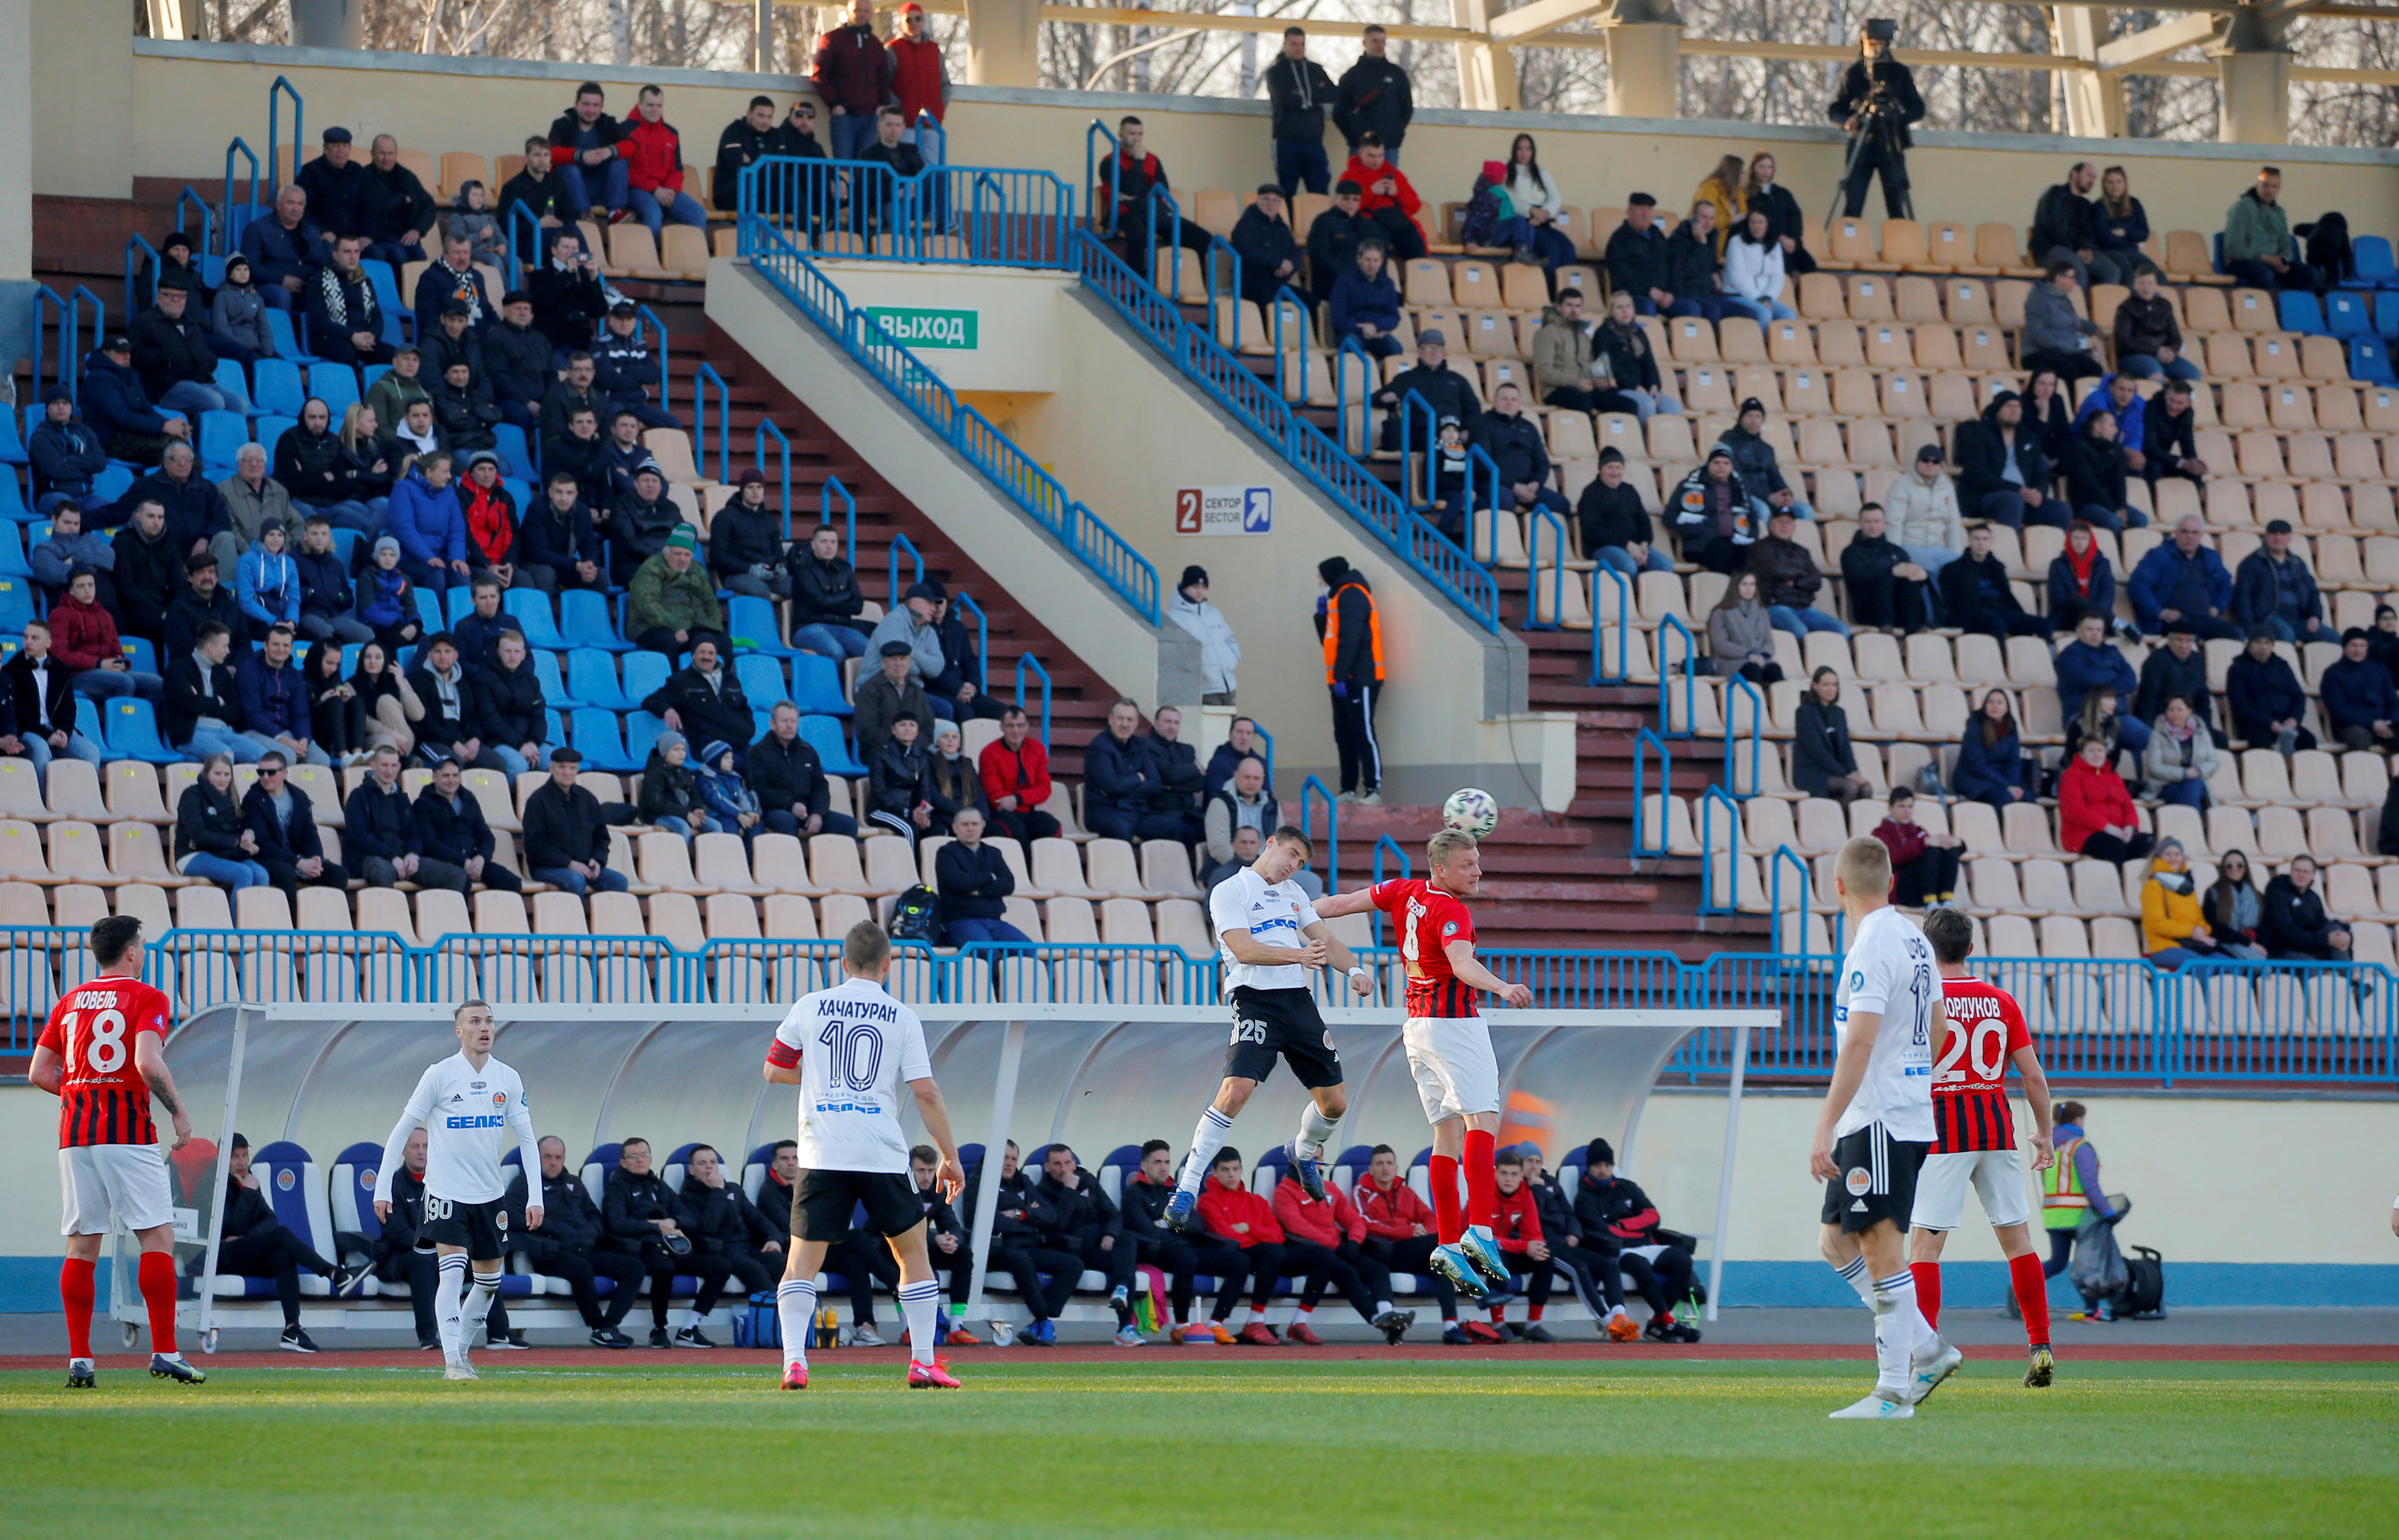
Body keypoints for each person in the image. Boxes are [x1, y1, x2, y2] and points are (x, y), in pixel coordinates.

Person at [1316, 832, 1534, 1303]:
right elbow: (1461, 964)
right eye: (1468, 865)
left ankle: (1450, 1244)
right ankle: (1480, 1228)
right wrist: (1500, 987)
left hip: (1416, 1028)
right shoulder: (1452, 910)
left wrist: (1285, 911)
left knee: (1447, 1133)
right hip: (1454, 1025)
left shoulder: (1402, 890)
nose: (1477, 871)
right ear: (1441, 869)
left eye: (1477, 863)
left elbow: (1337, 905)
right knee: (1484, 1121)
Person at [765, 919, 967, 1385]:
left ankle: (795, 1361)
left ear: (843, 962)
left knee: (801, 1263)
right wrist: (949, 1157)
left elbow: (774, 1071)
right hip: (880, 1152)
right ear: (888, 964)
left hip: (823, 1151)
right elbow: (927, 1093)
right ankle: (922, 1362)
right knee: (913, 1255)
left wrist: (818, 1077)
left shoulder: (810, 1006)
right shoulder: (901, 1016)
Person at [1809, 835, 1951, 1419]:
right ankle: (1927, 1348)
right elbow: (1940, 1028)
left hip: (1880, 1119)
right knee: (1836, 1240)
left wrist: (1825, 1124)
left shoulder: (1872, 945)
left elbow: (1862, 1041)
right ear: (1891, 882)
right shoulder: (1915, 939)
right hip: (1891, 1111)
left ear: (1837, 886)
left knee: (1880, 1250)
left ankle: (1894, 1392)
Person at [31, 915, 203, 1387]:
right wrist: (179, 1113)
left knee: (83, 1243)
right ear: (131, 952)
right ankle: (166, 1351)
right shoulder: (147, 997)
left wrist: (86, 1092)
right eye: (143, 946)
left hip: (76, 1135)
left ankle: (80, 1361)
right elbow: (148, 1062)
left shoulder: (69, 1002)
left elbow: (39, 1073)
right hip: (127, 1134)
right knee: (157, 1237)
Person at [1900, 906, 2060, 1383]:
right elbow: (2033, 1075)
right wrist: (2045, 1133)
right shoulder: (2000, 1000)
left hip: (1942, 1132)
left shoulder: (1921, 1000)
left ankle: (1924, 1355)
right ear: (1971, 949)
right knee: (2020, 1244)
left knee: (1925, 1248)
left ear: (1927, 949)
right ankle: (2040, 1346)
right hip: (1995, 1128)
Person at [372, 1001, 542, 1380]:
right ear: (459, 1031)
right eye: (475, 1022)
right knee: (450, 1273)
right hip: (446, 1193)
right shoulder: (440, 1074)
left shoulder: (508, 1078)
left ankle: (461, 1353)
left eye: (489, 1021)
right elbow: (402, 1130)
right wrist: (382, 1186)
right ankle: (452, 1360)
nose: (484, 1028)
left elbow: (528, 1140)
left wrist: (536, 1196)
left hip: (489, 1196)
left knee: (488, 1283)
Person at [214, 1133, 356, 1353]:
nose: (242, 1162)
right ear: (223, 1160)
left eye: (245, 1155)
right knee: (281, 1235)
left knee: (283, 1255)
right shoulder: (218, 1186)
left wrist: (248, 1237)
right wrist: (250, 1193)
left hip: (244, 1252)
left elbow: (269, 1220)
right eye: (235, 1157)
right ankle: (333, 1273)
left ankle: (292, 1330)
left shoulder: (248, 1181)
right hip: (224, 1257)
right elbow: (231, 1227)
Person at [506, 1135, 641, 1348]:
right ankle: (597, 1327)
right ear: (535, 1158)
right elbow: (511, 1218)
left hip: (585, 1248)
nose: (554, 1163)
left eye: (558, 1158)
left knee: (635, 1268)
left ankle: (609, 1326)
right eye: (547, 1157)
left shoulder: (574, 1183)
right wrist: (549, 1226)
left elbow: (593, 1213)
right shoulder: (524, 1184)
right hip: (551, 1252)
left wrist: (594, 1230)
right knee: (582, 1269)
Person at [601, 1135, 736, 1349]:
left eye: (644, 1155)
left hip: (674, 1246)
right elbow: (617, 1224)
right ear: (623, 1162)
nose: (640, 1160)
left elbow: (688, 1218)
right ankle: (659, 1329)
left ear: (651, 1159)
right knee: (665, 1268)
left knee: (721, 1266)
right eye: (633, 1156)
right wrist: (655, 1226)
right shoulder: (617, 1188)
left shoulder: (658, 1185)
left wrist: (673, 1221)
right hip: (643, 1248)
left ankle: (690, 1328)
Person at [1271, 1148, 1413, 1345]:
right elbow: (1297, 1226)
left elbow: (1355, 1221)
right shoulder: (1284, 1191)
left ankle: (1387, 1316)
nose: (1314, 1163)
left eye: (1318, 1158)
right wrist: (1334, 1246)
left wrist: (1354, 1242)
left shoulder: (1331, 1189)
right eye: (1308, 1158)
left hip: (1337, 1250)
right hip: (1305, 1251)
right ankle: (1377, 1320)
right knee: (1343, 1269)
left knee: (1377, 1268)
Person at [1569, 1138, 1702, 1342]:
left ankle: (1658, 1323)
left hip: (1646, 1245)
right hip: (1619, 1251)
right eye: (1597, 1166)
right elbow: (1605, 1232)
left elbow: (1653, 1216)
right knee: (1640, 1267)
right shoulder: (1584, 1198)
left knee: (1682, 1260)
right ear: (1589, 1167)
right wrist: (1637, 1227)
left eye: (1607, 1165)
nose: (1603, 1170)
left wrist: (1624, 1226)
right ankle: (1668, 1321)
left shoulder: (1628, 1188)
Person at [1828, 18, 1923, 219]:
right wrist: (1848, 121)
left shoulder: (1899, 73)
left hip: (1891, 144)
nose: (1876, 48)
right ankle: (1849, 242)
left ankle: (1901, 246)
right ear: (1862, 42)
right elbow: (1835, 110)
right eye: (1871, 42)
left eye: (1881, 43)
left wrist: (1898, 117)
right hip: (1862, 145)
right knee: (1853, 205)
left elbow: (1918, 108)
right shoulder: (1854, 73)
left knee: (1897, 207)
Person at [343, 744, 468, 892]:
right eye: (384, 765)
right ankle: (392, 915)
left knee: (457, 875)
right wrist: (393, 857)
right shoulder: (358, 796)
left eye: (394, 766)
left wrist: (413, 855)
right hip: (371, 858)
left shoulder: (402, 799)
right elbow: (360, 836)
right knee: (380, 871)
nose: (389, 771)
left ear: (399, 767)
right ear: (373, 766)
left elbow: (414, 833)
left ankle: (440, 914)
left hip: (403, 859)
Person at [2040, 1101, 2126, 1315]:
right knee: (2090, 1262)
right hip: (2080, 1216)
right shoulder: (2079, 1146)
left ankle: (2021, 1288)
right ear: (2078, 1120)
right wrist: (2108, 1212)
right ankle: (2092, 1310)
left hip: (2054, 1214)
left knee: (2058, 1262)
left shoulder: (2048, 1146)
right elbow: (2090, 1184)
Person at [1098, 116, 1215, 272]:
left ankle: (1193, 279)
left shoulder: (1152, 159)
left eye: (1140, 134)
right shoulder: (1110, 161)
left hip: (1153, 210)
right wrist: (1139, 161)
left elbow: (1162, 189)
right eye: (1132, 134)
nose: (1137, 139)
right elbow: (1131, 189)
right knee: (1140, 236)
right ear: (1121, 135)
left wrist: (1136, 194)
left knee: (1203, 239)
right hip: (1126, 212)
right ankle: (1135, 280)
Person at [1316, 556, 1384, 804]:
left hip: (1360, 678)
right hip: (1342, 679)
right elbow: (1330, 640)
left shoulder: (1352, 594)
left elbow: (1351, 638)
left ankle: (1373, 788)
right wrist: (1321, 614)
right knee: (1343, 734)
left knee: (1363, 731)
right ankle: (1348, 788)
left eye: (1321, 578)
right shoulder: (1338, 598)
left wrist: (1342, 676)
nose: (1319, 583)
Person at [679, 1144, 784, 1308]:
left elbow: (757, 1219)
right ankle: (771, 1316)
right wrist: (717, 1191)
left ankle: (795, 1314)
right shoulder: (687, 1198)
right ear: (692, 1170)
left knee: (783, 1262)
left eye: (713, 1162)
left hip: (747, 1247)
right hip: (722, 1250)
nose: (709, 1167)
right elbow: (708, 1227)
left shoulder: (734, 1190)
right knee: (755, 1270)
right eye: (702, 1163)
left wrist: (774, 1239)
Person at [129, 277, 249, 418]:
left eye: (181, 297)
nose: (176, 301)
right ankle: (195, 435)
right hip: (166, 388)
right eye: (170, 296)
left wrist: (210, 360)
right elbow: (134, 357)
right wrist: (166, 357)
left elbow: (206, 355)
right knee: (214, 401)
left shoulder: (191, 325)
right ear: (159, 298)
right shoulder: (144, 322)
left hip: (201, 383)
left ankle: (223, 439)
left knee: (241, 405)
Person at [3, 621, 105, 782]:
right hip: (28, 730)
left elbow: (69, 706)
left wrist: (64, 731)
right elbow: (19, 713)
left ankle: (84, 800)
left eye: (35, 638)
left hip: (56, 729)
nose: (28, 642)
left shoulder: (61, 669)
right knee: (41, 749)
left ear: (48, 643)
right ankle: (44, 802)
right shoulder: (12, 670)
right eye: (26, 637)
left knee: (91, 752)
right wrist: (47, 735)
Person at [242, 749, 348, 902]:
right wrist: (298, 862)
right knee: (286, 872)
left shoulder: (299, 797)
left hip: (295, 857)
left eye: (271, 772)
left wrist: (315, 859)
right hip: (267, 858)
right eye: (261, 772)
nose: (265, 777)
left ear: (285, 773)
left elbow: (310, 833)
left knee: (339, 875)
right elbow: (263, 843)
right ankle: (293, 923)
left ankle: (324, 920)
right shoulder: (253, 800)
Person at [161, 621, 276, 763]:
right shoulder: (178, 670)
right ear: (210, 647)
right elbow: (190, 704)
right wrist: (218, 702)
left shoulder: (222, 673)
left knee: (266, 759)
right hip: (192, 734)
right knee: (225, 757)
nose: (228, 651)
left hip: (225, 732)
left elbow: (235, 711)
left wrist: (205, 706)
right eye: (225, 646)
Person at [1956, 389, 2064, 531]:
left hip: (2023, 499)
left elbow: (2040, 473)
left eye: (2018, 407)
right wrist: (2018, 490)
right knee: (2012, 501)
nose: (2014, 411)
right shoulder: (1980, 435)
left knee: (2062, 510)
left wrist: (2039, 492)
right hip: (1987, 497)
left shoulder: (2028, 437)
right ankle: (2007, 549)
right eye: (2009, 406)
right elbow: (1978, 475)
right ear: (1997, 411)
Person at [523, 750, 627, 894]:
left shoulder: (588, 798)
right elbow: (535, 844)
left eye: (572, 768)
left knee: (619, 881)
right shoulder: (538, 800)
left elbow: (601, 837)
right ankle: (573, 917)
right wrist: (569, 863)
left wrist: (597, 860)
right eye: (562, 767)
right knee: (575, 880)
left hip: (584, 866)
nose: (567, 773)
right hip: (547, 867)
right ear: (552, 768)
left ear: (578, 770)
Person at [750, 701, 856, 839]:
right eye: (784, 721)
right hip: (775, 810)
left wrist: (818, 813)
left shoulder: (808, 751)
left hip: (808, 811)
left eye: (793, 721)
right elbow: (759, 790)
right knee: (787, 820)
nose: (789, 726)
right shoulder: (758, 753)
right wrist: (791, 806)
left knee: (849, 825)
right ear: (772, 724)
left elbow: (821, 787)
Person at [277, 399, 382, 533]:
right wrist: (324, 478)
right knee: (315, 532)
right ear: (303, 418)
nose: (318, 423)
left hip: (331, 503)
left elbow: (342, 483)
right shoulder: (289, 439)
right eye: (312, 417)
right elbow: (291, 483)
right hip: (301, 502)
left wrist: (306, 477)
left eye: (322, 418)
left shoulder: (333, 442)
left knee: (369, 526)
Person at [2127, 515, 2238, 641]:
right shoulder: (2158, 556)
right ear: (2176, 533)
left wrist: (2218, 608)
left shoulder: (2211, 557)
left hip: (2204, 619)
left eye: (2195, 533)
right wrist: (2159, 612)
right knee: (2189, 634)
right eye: (2185, 532)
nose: (2190, 537)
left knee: (2237, 634)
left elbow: (2225, 584)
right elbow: (2138, 585)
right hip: (2171, 622)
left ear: (2201, 536)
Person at [417, 754, 517, 893]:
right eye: (446, 776)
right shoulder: (423, 804)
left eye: (455, 775)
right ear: (434, 778)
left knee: (512, 883)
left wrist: (481, 858)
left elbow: (487, 837)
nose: (451, 780)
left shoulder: (469, 800)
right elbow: (430, 845)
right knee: (461, 880)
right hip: (445, 864)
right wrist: (464, 862)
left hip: (474, 861)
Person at [80, 333, 187, 463]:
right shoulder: (99, 379)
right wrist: (163, 427)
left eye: (128, 351)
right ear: (106, 353)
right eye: (121, 352)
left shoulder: (129, 374)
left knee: (178, 448)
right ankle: (195, 482)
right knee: (175, 447)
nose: (127, 356)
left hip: (132, 434)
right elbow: (122, 417)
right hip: (109, 441)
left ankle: (189, 482)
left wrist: (170, 425)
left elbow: (147, 409)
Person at [173, 753, 271, 894]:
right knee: (244, 874)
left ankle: (257, 916)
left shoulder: (233, 798)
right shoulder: (192, 795)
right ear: (207, 774)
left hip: (225, 854)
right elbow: (199, 835)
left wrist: (248, 835)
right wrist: (237, 842)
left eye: (227, 775)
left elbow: (241, 825)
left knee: (262, 875)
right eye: (217, 774)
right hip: (192, 854)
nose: (222, 780)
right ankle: (239, 917)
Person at [812, 0, 897, 163]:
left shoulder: (875, 44)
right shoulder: (833, 39)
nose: (862, 14)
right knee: (844, 166)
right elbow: (819, 76)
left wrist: (882, 105)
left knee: (865, 169)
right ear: (849, 12)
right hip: (844, 116)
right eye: (857, 10)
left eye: (866, 11)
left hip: (871, 117)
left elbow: (884, 78)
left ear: (871, 14)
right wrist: (834, 105)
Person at [933, 806, 1028, 951]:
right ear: (955, 828)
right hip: (960, 921)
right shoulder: (946, 853)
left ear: (983, 826)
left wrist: (979, 891)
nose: (970, 829)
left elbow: (1008, 884)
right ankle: (992, 974)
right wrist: (990, 877)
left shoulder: (993, 852)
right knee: (987, 951)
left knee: (1029, 950)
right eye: (965, 825)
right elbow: (958, 882)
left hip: (996, 921)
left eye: (975, 824)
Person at [57, 566, 156, 703]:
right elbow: (60, 655)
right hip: (76, 675)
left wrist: (122, 664)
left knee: (156, 683)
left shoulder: (105, 616)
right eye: (81, 586)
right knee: (125, 682)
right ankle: (119, 723)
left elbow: (117, 651)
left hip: (105, 671)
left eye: (91, 585)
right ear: (72, 591)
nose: (87, 590)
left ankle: (145, 723)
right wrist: (98, 664)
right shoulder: (60, 615)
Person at [235, 623, 326, 768]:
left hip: (285, 733)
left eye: (285, 645)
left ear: (291, 649)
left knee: (321, 761)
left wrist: (303, 739)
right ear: (265, 646)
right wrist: (286, 741)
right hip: (254, 732)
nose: (281, 650)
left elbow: (301, 714)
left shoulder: (295, 676)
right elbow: (254, 715)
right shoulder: (249, 671)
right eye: (276, 644)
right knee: (287, 757)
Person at [1530, 291, 1631, 418]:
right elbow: (1545, 372)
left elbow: (1591, 364)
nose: (1574, 310)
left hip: (1585, 387)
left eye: (1578, 306)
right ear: (1559, 307)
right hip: (1556, 389)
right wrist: (1576, 382)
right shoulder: (1546, 333)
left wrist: (1600, 379)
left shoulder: (1583, 335)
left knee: (1626, 404)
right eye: (1569, 305)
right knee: (1583, 402)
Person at [1263, 26, 1337, 198]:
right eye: (1294, 44)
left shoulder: (1315, 70)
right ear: (1285, 44)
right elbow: (1284, 99)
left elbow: (1333, 94)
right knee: (1286, 193)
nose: (1298, 48)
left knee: (1320, 192)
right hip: (1287, 141)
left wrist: (1303, 93)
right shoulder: (1276, 72)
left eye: (1302, 44)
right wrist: (1313, 94)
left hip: (1314, 141)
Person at [1750, 508, 1846, 640]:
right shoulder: (1759, 548)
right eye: (1781, 522)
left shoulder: (1802, 551)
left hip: (1803, 608)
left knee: (1841, 630)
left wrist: (1794, 582)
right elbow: (1776, 571)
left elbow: (1816, 580)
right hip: (1774, 605)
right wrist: (1802, 574)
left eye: (1789, 523)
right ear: (1771, 524)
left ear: (1794, 527)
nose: (1785, 526)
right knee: (1800, 632)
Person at [1939, 523, 2047, 639]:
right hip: (1971, 614)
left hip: (1999, 610)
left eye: (1985, 539)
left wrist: (2020, 615)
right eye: (1977, 539)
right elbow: (1948, 602)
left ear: (1991, 542)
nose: (1981, 543)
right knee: (1997, 625)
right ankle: (2003, 657)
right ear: (1969, 541)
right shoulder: (1952, 569)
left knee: (2043, 625)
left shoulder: (1997, 568)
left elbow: (2007, 595)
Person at [627, 531, 726, 658]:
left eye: (687, 555)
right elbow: (648, 605)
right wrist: (676, 626)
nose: (683, 560)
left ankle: (716, 678)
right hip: (650, 627)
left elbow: (710, 602)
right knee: (668, 641)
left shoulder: (697, 570)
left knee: (722, 642)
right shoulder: (651, 568)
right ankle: (671, 678)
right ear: (666, 554)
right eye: (677, 554)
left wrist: (714, 626)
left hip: (690, 626)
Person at [2059, 734, 2154, 865]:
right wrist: (2107, 828)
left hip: (2118, 833)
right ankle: (2116, 883)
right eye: (2091, 751)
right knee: (2114, 846)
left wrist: (2130, 828)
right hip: (2083, 835)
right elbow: (2075, 810)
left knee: (2148, 843)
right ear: (2082, 755)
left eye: (2100, 751)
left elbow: (2128, 807)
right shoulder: (2071, 776)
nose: (2096, 755)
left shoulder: (2114, 777)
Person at [2223, 166, 2318, 293]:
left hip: (2272, 264)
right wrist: (2267, 259)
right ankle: (2263, 311)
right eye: (2266, 185)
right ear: (2257, 185)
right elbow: (2234, 249)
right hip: (2243, 262)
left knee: (2311, 275)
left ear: (2279, 189)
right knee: (2265, 275)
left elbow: (2286, 245)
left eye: (2274, 187)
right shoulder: (2243, 207)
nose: (2270, 191)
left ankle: (2293, 309)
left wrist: (2283, 261)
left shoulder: (2279, 213)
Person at [306, 234, 395, 369]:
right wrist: (352, 336)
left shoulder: (365, 281)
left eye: (356, 252)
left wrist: (372, 336)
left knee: (396, 356)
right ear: (336, 255)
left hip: (363, 340)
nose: (353, 257)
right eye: (347, 252)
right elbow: (320, 322)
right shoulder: (319, 281)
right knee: (348, 354)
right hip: (330, 339)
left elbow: (376, 316)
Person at [2232, 519, 2327, 645]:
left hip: (2299, 620)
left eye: (2282, 534)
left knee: (2335, 639)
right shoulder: (2251, 564)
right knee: (2287, 636)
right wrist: (2250, 630)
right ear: (2266, 536)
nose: (2278, 538)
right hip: (2268, 620)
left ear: (2289, 538)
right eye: (2273, 533)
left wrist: (2315, 617)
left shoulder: (2298, 564)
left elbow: (2313, 592)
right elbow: (2242, 598)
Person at [1578, 448, 1669, 577]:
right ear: (1601, 469)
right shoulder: (1590, 494)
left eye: (1619, 468)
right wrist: (1627, 545)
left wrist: (1644, 544)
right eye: (1610, 468)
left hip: (1635, 546)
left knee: (1665, 566)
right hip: (1604, 547)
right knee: (1628, 566)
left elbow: (1644, 521)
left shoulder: (1629, 491)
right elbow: (1593, 531)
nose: (1615, 473)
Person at [975, 705, 1057, 845]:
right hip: (1001, 812)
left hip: (1027, 809)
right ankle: (1023, 867)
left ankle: (1042, 866)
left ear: (1027, 727)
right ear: (1001, 727)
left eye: (1020, 726)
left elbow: (1044, 788)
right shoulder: (989, 753)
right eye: (1010, 726)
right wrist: (1031, 803)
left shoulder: (1038, 749)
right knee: (1016, 830)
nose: (1016, 731)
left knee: (1053, 826)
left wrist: (1018, 799)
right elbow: (996, 797)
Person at [238, 184, 324, 314]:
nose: (296, 208)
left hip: (305, 287)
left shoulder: (311, 231)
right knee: (281, 295)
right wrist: (281, 280)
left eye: (300, 204)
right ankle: (283, 334)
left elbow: (321, 262)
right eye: (291, 203)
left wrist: (316, 280)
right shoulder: (257, 229)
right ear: (279, 206)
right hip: (269, 287)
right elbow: (250, 266)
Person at [1838, 504, 1925, 633]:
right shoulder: (1850, 553)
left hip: (1899, 610)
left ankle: (1916, 627)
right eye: (1868, 522)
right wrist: (1891, 572)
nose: (1873, 526)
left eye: (1877, 521)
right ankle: (1886, 626)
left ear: (1884, 523)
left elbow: (1910, 574)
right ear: (1860, 523)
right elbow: (1858, 579)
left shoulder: (1896, 551)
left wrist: (1921, 575)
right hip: (1868, 610)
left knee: (1910, 582)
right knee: (1884, 579)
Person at [1339, 133, 1426, 261]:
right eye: (1372, 156)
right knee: (1376, 246)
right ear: (1361, 154)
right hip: (1370, 222)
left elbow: (1416, 206)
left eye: (1380, 156)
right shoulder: (1350, 175)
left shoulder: (1394, 174)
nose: (1377, 161)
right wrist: (1371, 192)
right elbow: (1345, 209)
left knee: (1416, 245)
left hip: (1397, 221)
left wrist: (1397, 193)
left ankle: (1420, 276)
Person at [2226, 626, 2314, 753]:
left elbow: (2298, 697)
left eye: (2267, 643)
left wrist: (2294, 719)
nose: (2263, 647)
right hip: (2255, 725)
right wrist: (2270, 724)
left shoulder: (2282, 666)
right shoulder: (2237, 669)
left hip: (2284, 723)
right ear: (2249, 645)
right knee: (2261, 742)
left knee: (2308, 740)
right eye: (2258, 642)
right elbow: (2240, 706)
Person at [1667, 446, 1753, 573]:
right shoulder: (1688, 485)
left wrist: (1750, 537)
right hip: (1701, 545)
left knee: (1755, 555)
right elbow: (1669, 517)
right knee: (1724, 550)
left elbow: (1753, 520)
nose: (1721, 467)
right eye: (1716, 463)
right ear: (1709, 464)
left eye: (1726, 463)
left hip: (1736, 542)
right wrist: (1703, 531)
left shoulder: (1740, 490)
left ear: (1732, 466)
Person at [2030, 161, 2114, 292]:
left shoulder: (2086, 205)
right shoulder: (2055, 194)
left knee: (2111, 271)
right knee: (2077, 272)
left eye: (2094, 178)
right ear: (2075, 174)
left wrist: (2088, 250)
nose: (2092, 180)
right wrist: (2076, 251)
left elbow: (2089, 233)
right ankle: (2073, 310)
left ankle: (2102, 310)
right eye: (2089, 175)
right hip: (2050, 248)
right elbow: (2053, 228)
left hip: (2077, 251)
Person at [1333, 24, 1413, 162]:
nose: (1380, 45)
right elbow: (1340, 112)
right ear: (1365, 43)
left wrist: (1395, 132)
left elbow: (1407, 107)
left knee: (1387, 184)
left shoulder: (1397, 74)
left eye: (1383, 41)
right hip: (1360, 147)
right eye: (1375, 41)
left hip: (1389, 146)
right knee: (1358, 184)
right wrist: (1354, 136)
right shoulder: (1352, 76)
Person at [1874, 787, 1961, 907]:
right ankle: (1931, 901)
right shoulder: (1880, 833)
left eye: (1910, 807)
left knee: (1949, 851)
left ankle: (1946, 901)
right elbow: (1893, 858)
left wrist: (1957, 843)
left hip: (1921, 886)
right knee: (1932, 852)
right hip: (1900, 889)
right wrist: (1924, 844)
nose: (1907, 811)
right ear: (1890, 808)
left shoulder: (1919, 831)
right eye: (1901, 806)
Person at [2262, 855, 2355, 967]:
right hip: (2280, 951)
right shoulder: (2277, 893)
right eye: (2297, 871)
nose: (2301, 875)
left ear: (2313, 875)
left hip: (2306, 948)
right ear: (2291, 872)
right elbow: (2286, 933)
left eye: (2306, 872)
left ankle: (2348, 980)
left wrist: (2345, 934)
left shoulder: (2313, 898)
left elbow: (2322, 924)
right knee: (2310, 965)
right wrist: (2326, 941)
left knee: (2336, 931)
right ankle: (2348, 980)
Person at [2141, 837, 2220, 970]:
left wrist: (2202, 930)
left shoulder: (2188, 886)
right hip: (2164, 947)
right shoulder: (2153, 886)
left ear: (2183, 858)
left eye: (2177, 854)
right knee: (2203, 967)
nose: (2173, 858)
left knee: (2231, 965)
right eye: (2168, 854)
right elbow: (2157, 924)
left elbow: (2200, 919)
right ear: (2159, 858)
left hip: (2192, 945)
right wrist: (2192, 932)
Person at [528, 227, 608, 357]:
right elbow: (545, 303)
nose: (571, 253)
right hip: (552, 344)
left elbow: (599, 311)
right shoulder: (539, 276)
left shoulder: (584, 276)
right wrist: (567, 273)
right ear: (554, 250)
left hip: (581, 344)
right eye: (566, 248)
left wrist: (594, 278)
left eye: (575, 249)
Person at [28, 390, 111, 513]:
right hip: (51, 495)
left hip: (86, 496)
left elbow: (100, 464)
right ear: (47, 409)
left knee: (115, 513)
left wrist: (69, 459)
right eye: (56, 403)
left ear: (72, 408)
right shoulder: (40, 437)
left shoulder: (85, 432)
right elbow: (56, 470)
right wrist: (87, 470)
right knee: (70, 511)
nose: (61, 407)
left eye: (65, 403)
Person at [2021, 261, 2104, 383]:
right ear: (2059, 278)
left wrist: (2092, 329)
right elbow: (2036, 331)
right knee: (2070, 371)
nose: (2074, 282)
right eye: (2071, 277)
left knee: (2094, 369)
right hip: (2039, 352)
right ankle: (2071, 401)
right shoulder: (2038, 299)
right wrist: (2057, 346)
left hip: (2064, 351)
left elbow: (2072, 320)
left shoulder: (2063, 299)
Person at [1793, 666, 1865, 806]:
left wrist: (1854, 772)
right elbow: (1816, 750)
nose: (1831, 689)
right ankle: (1839, 825)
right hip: (1812, 772)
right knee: (1850, 787)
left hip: (1835, 771)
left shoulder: (1839, 713)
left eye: (1834, 685)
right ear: (1815, 686)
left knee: (1866, 788)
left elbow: (1845, 747)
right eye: (1826, 685)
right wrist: (1845, 774)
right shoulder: (1804, 712)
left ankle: (1854, 826)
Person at [2111, 266, 2197, 382]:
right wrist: (2156, 351)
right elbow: (2124, 341)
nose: (2146, 287)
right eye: (2142, 283)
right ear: (2135, 285)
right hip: (2134, 356)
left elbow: (2176, 336)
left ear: (2156, 285)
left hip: (2163, 355)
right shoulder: (2126, 308)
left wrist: (2172, 351)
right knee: (2155, 374)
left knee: (2193, 374)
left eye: (2150, 283)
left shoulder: (2165, 305)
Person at [854, 641, 935, 761]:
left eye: (903, 659)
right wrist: (898, 747)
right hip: (880, 752)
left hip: (914, 753)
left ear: (909, 663)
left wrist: (912, 747)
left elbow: (928, 727)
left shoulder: (916, 691)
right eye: (893, 659)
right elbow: (867, 730)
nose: (898, 664)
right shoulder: (869, 689)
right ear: (883, 664)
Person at [2135, 625, 2216, 743]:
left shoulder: (2198, 660)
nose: (2184, 646)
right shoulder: (2156, 661)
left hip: (2191, 720)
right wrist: (2150, 730)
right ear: (2169, 640)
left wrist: (2206, 728)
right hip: (2164, 719)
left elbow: (2203, 698)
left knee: (2218, 740)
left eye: (2188, 641)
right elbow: (2148, 699)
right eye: (2179, 640)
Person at [2065, 410, 2143, 534]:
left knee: (2140, 520)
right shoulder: (2079, 448)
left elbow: (2120, 482)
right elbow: (2090, 486)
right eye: (2112, 426)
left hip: (2112, 503)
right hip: (2087, 503)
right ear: (2097, 427)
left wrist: (2121, 508)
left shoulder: (2116, 448)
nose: (2116, 431)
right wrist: (2114, 510)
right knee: (2114, 522)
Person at [1740, 150, 1816, 275]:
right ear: (1754, 168)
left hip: (1789, 243)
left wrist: (1793, 239)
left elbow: (1795, 217)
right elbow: (1755, 222)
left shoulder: (1782, 193)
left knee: (1809, 265)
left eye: (1770, 167)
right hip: (1767, 243)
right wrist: (1780, 238)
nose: (1766, 171)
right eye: (1762, 167)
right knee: (1786, 267)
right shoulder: (1748, 195)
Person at [888, 2, 948, 158]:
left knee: (933, 173)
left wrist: (940, 107)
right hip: (904, 125)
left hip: (932, 124)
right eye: (909, 20)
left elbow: (945, 84)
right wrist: (897, 109)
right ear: (901, 23)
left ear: (923, 21)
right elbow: (884, 84)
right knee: (907, 169)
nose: (914, 23)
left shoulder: (934, 50)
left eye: (918, 19)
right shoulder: (893, 49)